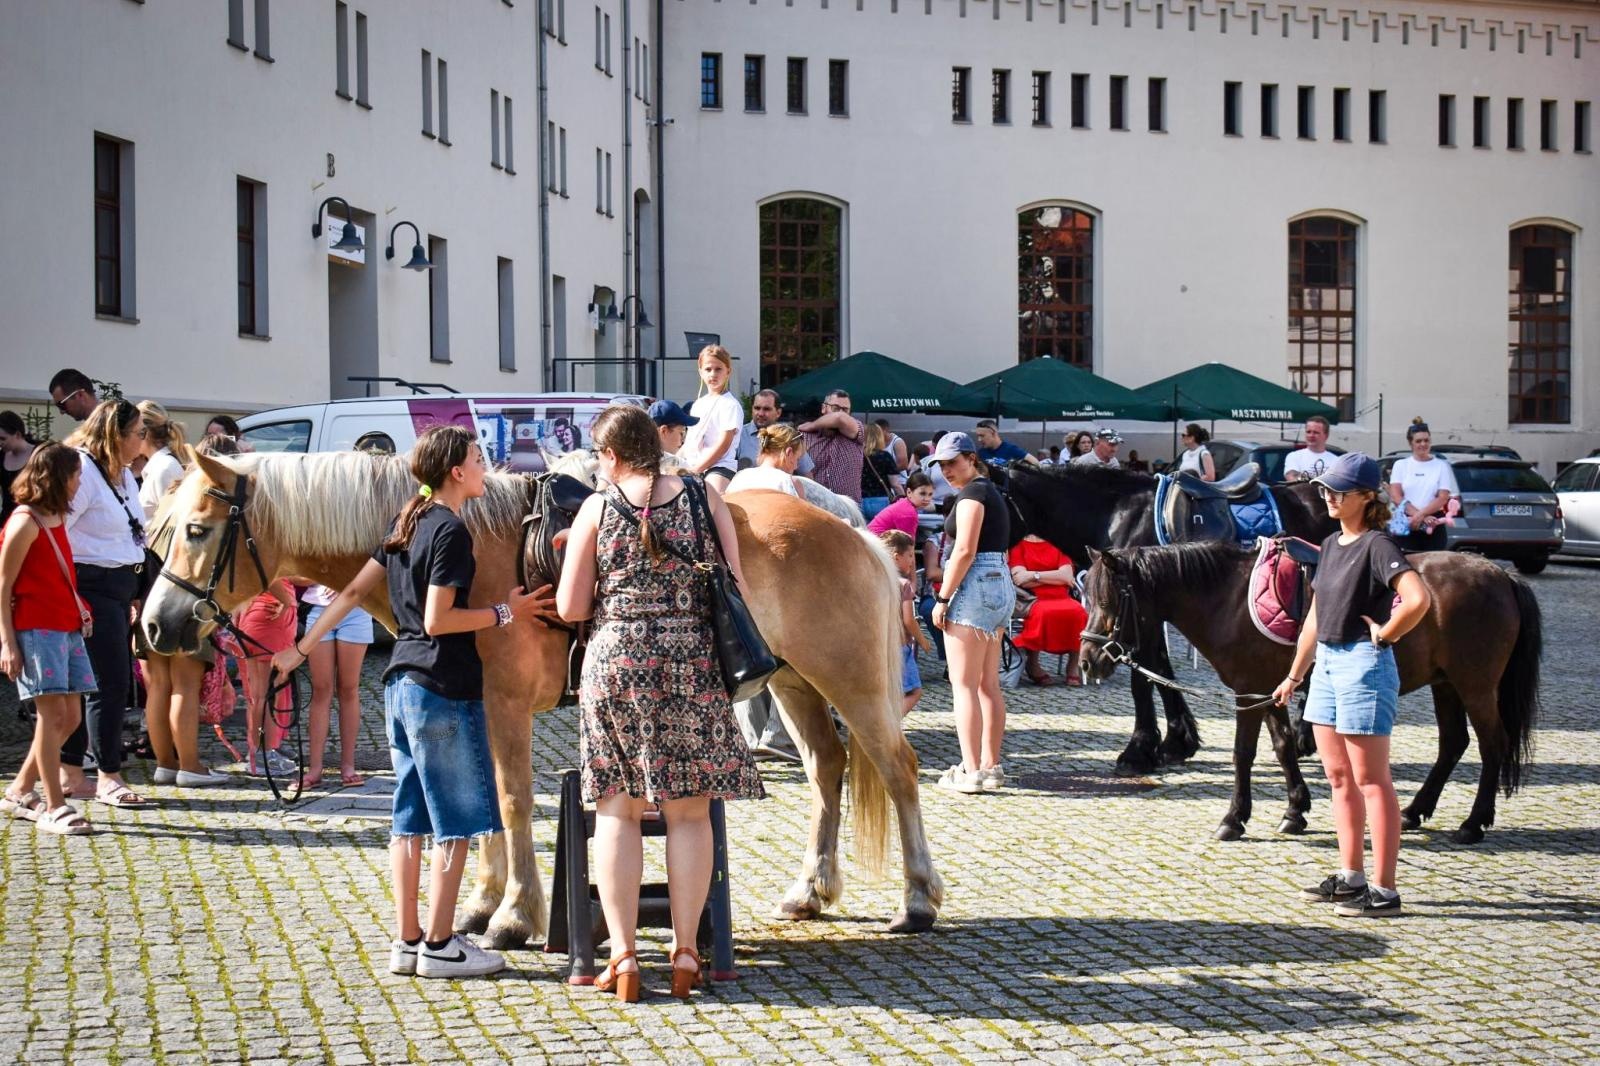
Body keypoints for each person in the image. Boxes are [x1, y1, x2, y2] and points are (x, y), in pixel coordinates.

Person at [272, 425, 549, 979]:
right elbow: (437, 620)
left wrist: (299, 650)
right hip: (442, 687)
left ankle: (407, 941)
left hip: (399, 686)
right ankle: (442, 945)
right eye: (477, 458)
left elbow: (351, 592)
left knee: (408, 823)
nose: (484, 466)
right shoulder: (450, 531)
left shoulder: (404, 522)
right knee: (456, 823)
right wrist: (503, 612)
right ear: (455, 472)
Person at [556, 404, 764, 1001]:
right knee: (690, 813)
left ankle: (622, 957)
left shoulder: (598, 506)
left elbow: (572, 608)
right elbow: (737, 586)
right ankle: (687, 952)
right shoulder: (705, 498)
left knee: (618, 811)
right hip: (691, 661)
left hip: (617, 662)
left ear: (612, 456)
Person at [1272, 453, 1430, 918]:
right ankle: (1350, 876)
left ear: (1366, 497)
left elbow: (1417, 598)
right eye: (1325, 490)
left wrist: (1387, 631)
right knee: (1338, 778)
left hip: (1364, 664)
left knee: (1371, 780)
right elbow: (1315, 620)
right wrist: (1293, 675)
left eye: (1338, 491)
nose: (1329, 497)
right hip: (1326, 667)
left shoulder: (1378, 545)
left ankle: (1385, 890)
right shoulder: (1331, 543)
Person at [0, 444, 97, 834]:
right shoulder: (25, 522)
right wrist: (7, 642)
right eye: (75, 475)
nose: (78, 483)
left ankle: (21, 789)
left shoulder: (55, 515)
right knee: (51, 715)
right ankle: (54, 805)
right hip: (37, 629)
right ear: (57, 476)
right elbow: (3, 585)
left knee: (70, 717)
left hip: (66, 626)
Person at [60, 399, 147, 807]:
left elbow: (132, 532)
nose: (144, 440)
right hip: (89, 586)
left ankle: (74, 773)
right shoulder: (82, 470)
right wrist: (73, 595)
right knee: (105, 683)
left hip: (117, 586)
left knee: (100, 682)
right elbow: (58, 533)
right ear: (117, 435)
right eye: (139, 433)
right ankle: (107, 774)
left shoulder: (123, 474)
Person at [927, 432, 1014, 795]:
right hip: (1000, 580)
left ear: (971, 458)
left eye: (952, 462)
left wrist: (943, 597)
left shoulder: (971, 495)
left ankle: (971, 770)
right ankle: (990, 766)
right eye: (941, 464)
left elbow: (964, 550)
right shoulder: (991, 491)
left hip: (974, 582)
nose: (946, 470)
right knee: (987, 685)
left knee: (963, 686)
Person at [300, 583, 372, 788]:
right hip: (319, 608)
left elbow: (374, 563)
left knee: (348, 688)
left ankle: (348, 766)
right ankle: (314, 769)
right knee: (321, 690)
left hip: (357, 610)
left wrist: (348, 583)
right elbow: (297, 572)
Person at [237, 580, 299, 777]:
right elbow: (267, 574)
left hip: (257, 615)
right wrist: (287, 601)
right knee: (267, 696)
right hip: (269, 618)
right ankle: (265, 755)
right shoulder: (268, 550)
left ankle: (260, 751)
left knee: (259, 696)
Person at [1008, 535, 1087, 686]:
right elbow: (1020, 579)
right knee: (1043, 613)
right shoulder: (1018, 546)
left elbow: (1067, 576)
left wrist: (1034, 575)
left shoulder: (1058, 543)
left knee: (1078, 612)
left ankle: (1073, 664)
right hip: (1034, 598)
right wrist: (1054, 576)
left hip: (1062, 596)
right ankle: (1033, 663)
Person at [880, 530, 931, 717]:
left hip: (881, 646)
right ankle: (889, 726)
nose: (912, 560)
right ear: (896, 557)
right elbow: (908, 620)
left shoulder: (878, 582)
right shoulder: (904, 585)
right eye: (910, 555)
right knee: (914, 691)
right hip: (900, 647)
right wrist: (922, 640)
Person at [1387, 420, 1459, 551]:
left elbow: (1442, 497)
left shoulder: (1441, 466)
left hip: (1433, 524)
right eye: (1418, 441)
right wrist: (1420, 517)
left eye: (1426, 440)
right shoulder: (1401, 465)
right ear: (1411, 443)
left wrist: (1421, 516)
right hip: (1406, 524)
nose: (1423, 444)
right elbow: (1396, 496)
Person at [682, 344, 743, 493]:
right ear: (701, 372)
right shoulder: (698, 404)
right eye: (708, 369)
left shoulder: (730, 405)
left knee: (709, 500)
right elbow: (690, 442)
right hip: (692, 466)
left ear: (728, 371)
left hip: (719, 467)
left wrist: (697, 469)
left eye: (718, 369)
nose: (713, 374)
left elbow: (723, 444)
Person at [798, 389, 866, 503]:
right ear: (823, 408)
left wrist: (812, 425)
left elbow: (839, 418)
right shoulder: (805, 436)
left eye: (845, 410)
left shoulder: (857, 429)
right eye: (835, 408)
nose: (840, 412)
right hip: (816, 506)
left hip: (848, 508)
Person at [737, 389, 814, 476]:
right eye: (757, 408)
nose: (761, 413)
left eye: (767, 409)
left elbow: (807, 475)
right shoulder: (737, 436)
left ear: (778, 412)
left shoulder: (789, 437)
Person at [136, 400, 189, 522]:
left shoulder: (164, 469)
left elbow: (170, 524)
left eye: (133, 431)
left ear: (145, 433)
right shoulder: (159, 466)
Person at [726, 423, 807, 501]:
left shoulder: (739, 477)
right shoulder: (790, 483)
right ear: (789, 452)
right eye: (797, 459)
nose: (796, 466)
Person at [0, 410, 42, 527]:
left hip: (33, 521)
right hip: (7, 519)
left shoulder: (39, 453)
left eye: (3, 439)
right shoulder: (2, 456)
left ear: (18, 434)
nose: (0, 443)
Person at [868, 471, 935, 538]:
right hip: (873, 544)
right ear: (909, 492)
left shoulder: (905, 503)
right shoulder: (908, 513)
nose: (927, 499)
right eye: (922, 493)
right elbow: (908, 545)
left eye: (930, 494)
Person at [859, 422, 901, 520]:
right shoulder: (885, 456)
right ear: (879, 437)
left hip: (859, 501)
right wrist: (904, 499)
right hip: (880, 501)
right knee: (880, 532)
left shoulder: (856, 456)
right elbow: (895, 484)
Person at [1283, 415, 1334, 482]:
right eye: (1308, 432)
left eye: (1316, 432)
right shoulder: (1294, 456)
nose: (1311, 435)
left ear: (1326, 435)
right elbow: (1292, 477)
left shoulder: (1337, 461)